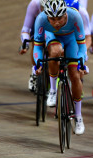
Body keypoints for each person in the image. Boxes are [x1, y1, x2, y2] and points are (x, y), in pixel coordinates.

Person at [33, 0, 87, 135]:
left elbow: (82, 45)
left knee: (74, 75)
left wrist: (81, 62)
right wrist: (38, 63)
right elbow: (38, 47)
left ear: (65, 14)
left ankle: (78, 116)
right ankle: (52, 90)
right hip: (53, 38)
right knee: (55, 51)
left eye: (60, 18)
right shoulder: (41, 19)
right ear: (47, 16)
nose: (56, 23)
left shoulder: (75, 16)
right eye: (52, 19)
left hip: (71, 40)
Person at [19, 0, 46, 92]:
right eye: (43, 9)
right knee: (36, 41)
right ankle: (34, 71)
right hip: (38, 26)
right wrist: (25, 44)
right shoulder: (34, 4)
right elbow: (26, 29)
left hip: (55, 25)